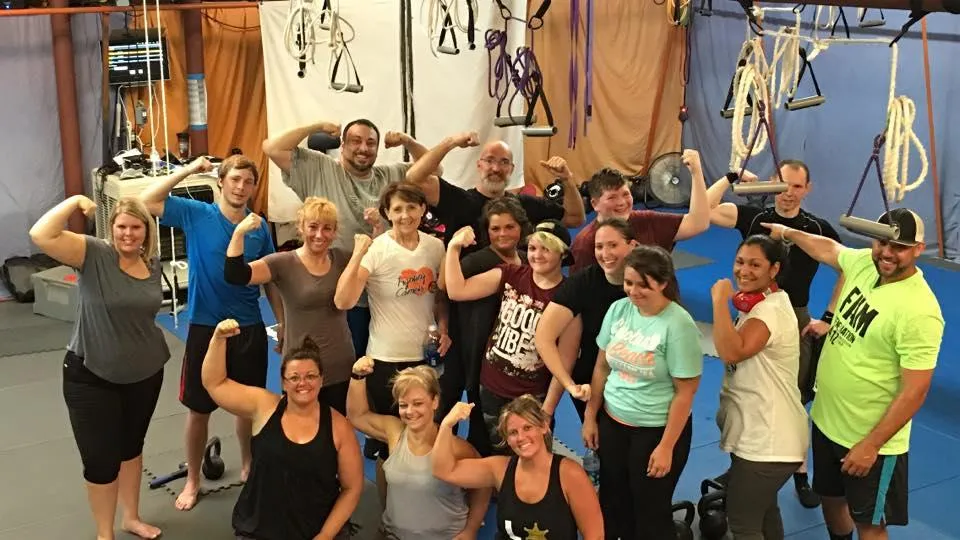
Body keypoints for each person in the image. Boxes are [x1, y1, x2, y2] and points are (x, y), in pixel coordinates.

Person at [761, 209, 943, 540]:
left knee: (871, 526)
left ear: (918, 248)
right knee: (831, 500)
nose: (887, 253)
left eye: (899, 247)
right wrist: (787, 232)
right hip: (827, 421)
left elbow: (915, 391)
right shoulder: (862, 263)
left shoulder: (920, 311)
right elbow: (828, 248)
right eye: (882, 242)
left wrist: (871, 445)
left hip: (867, 439)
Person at [140, 155, 279, 511]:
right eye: (235, 179)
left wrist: (282, 321)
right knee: (199, 410)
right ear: (221, 181)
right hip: (205, 325)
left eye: (248, 182)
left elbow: (271, 278)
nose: (240, 187)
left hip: (248, 326)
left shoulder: (259, 227)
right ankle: (192, 480)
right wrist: (188, 170)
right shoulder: (196, 213)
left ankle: (249, 465)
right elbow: (148, 202)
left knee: (248, 408)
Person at [29, 195, 168, 540]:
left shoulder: (153, 264)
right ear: (111, 228)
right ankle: (104, 534)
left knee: (132, 447)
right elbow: (41, 234)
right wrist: (75, 200)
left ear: (146, 232)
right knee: (101, 462)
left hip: (145, 372)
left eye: (136, 227)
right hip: (91, 375)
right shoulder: (93, 254)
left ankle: (131, 518)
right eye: (121, 226)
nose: (128, 234)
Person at [707, 159, 844, 506]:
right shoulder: (754, 217)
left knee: (793, 398)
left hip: (793, 316)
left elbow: (849, 267)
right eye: (781, 184)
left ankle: (799, 472)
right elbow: (704, 210)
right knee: (746, 390)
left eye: (796, 186)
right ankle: (742, 463)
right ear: (771, 183)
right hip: (750, 308)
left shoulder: (815, 227)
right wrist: (730, 177)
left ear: (807, 190)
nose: (787, 193)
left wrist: (829, 316)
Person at [263, 119, 431, 361]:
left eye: (370, 143)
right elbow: (272, 148)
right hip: (333, 291)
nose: (363, 148)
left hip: (383, 292)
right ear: (342, 145)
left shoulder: (391, 174)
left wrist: (407, 141)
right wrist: (316, 126)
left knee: (374, 366)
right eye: (355, 141)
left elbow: (434, 169)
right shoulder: (320, 167)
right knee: (335, 364)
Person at [334, 182, 448, 500]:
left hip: (427, 358)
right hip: (386, 358)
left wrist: (444, 327)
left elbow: (441, 298)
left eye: (412, 207)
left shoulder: (435, 247)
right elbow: (343, 301)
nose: (405, 215)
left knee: (427, 437)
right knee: (391, 444)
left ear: (423, 209)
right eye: (397, 208)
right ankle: (389, 512)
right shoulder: (378, 249)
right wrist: (359, 251)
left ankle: (428, 503)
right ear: (387, 213)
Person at [580, 244, 703, 540]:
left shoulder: (678, 324)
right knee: (612, 502)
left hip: (654, 430)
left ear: (662, 283)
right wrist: (590, 415)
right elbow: (601, 367)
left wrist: (666, 447)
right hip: (614, 423)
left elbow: (685, 393)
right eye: (629, 283)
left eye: (643, 285)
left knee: (649, 510)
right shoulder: (618, 310)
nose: (633, 292)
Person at [201, 319, 363, 540]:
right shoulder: (264, 406)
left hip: (316, 529)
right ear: (284, 382)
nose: (302, 383)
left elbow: (352, 488)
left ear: (321, 379)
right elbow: (215, 383)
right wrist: (218, 339)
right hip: (259, 528)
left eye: (310, 376)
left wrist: (325, 535)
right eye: (294, 377)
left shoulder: (338, 426)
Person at [444, 220, 580, 451]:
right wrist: (453, 248)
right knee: (493, 452)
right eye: (533, 248)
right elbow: (457, 290)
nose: (537, 255)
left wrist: (547, 410)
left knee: (529, 458)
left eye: (546, 249)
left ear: (562, 254)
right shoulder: (511, 274)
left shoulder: (567, 297)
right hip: (491, 387)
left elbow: (563, 365)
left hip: (530, 397)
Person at [710, 235, 810, 540]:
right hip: (763, 437)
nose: (744, 271)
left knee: (742, 522)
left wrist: (718, 302)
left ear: (774, 269)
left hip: (768, 443)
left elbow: (733, 351)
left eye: (755, 265)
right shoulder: (758, 305)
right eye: (740, 262)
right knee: (765, 511)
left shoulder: (770, 311)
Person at [224, 197, 358, 415]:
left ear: (335, 232)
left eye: (327, 228)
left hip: (339, 361)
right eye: (313, 227)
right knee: (301, 434)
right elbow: (235, 274)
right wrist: (239, 233)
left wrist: (378, 228)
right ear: (301, 227)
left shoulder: (343, 258)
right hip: (300, 368)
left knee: (338, 432)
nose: (319, 235)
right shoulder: (283, 263)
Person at [346, 357, 490, 539]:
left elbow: (484, 484)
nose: (410, 411)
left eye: (418, 403)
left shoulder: (456, 448)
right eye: (403, 405)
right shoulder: (395, 432)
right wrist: (357, 376)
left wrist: (471, 529)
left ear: (435, 401)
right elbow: (357, 416)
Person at [438, 197, 532, 455]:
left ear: (521, 228)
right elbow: (445, 288)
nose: (503, 234)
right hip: (479, 352)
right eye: (495, 229)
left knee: (514, 421)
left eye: (509, 227)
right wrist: (454, 248)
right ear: (487, 232)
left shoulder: (526, 259)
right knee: (483, 422)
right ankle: (484, 478)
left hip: (514, 354)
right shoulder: (478, 261)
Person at [433, 397, 605, 540]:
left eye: (527, 428)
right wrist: (447, 425)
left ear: (544, 427)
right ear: (507, 439)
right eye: (513, 432)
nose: (521, 437)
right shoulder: (499, 469)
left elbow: (595, 536)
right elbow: (444, 470)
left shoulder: (569, 474)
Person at [404, 131, 585, 249]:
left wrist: (567, 179)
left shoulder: (524, 205)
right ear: (479, 165)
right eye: (489, 160)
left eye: (504, 162)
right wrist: (450, 142)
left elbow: (575, 218)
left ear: (512, 169)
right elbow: (414, 178)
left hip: (516, 302)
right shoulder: (458, 200)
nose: (496, 169)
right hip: (469, 300)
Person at [536, 218, 637, 422]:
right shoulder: (583, 283)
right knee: (602, 446)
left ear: (632, 245)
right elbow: (545, 337)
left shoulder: (647, 283)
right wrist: (569, 385)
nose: (605, 254)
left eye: (613, 245)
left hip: (637, 383)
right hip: (592, 383)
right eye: (599, 246)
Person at [568, 149, 710, 273]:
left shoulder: (646, 221)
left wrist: (696, 172)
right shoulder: (585, 244)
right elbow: (579, 295)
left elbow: (698, 223)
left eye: (626, 194)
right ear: (595, 204)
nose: (622, 202)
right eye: (612, 197)